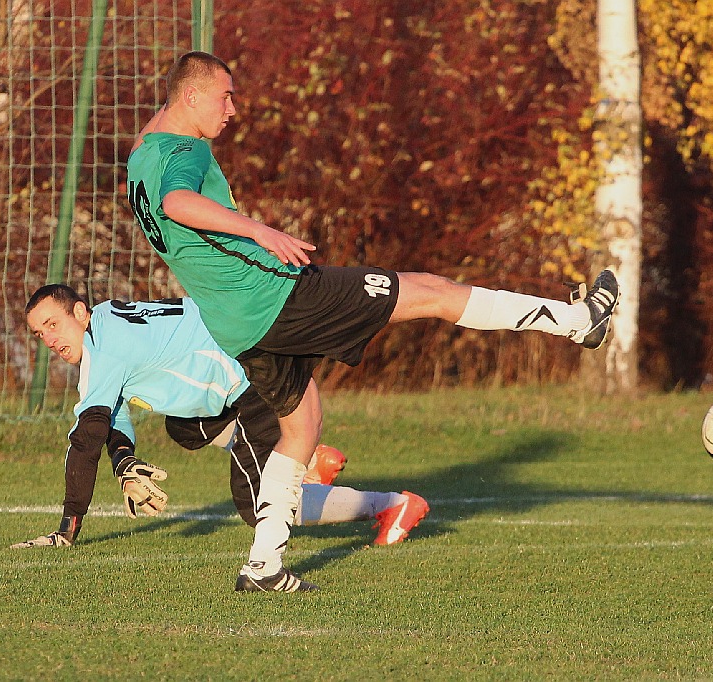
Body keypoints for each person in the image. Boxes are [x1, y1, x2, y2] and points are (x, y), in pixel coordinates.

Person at [125, 51, 619, 592]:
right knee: (431, 290)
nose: (234, 109)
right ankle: (578, 321)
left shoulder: (144, 152)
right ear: (191, 97)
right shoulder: (184, 150)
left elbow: (161, 184)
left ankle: (263, 566)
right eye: (226, 96)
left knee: (301, 428)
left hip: (237, 325)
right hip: (282, 297)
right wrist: (260, 231)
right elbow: (177, 203)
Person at [10, 285, 430, 588]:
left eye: (52, 324)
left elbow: (86, 440)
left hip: (252, 376)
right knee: (184, 426)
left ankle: (391, 506)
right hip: (235, 363)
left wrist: (67, 528)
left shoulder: (106, 348)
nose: (48, 339)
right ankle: (307, 459)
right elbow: (112, 410)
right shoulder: (103, 322)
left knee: (256, 505)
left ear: (80, 313)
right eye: (38, 333)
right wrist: (124, 463)